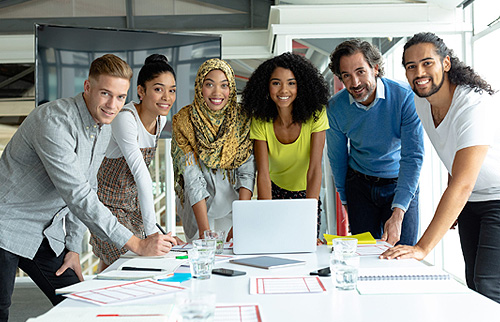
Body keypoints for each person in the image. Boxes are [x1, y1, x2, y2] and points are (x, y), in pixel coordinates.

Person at [0, 54, 177, 322]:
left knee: (78, 300)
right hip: (6, 225)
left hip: (42, 234)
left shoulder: (102, 126)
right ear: (88, 87)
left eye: (120, 97)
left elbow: (88, 185)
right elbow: (78, 195)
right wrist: (137, 243)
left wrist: (72, 248)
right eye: (105, 93)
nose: (112, 105)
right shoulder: (53, 122)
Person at [381, 32, 500, 303]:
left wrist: (422, 248)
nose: (419, 72)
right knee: (474, 282)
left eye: (427, 63)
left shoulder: (473, 104)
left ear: (446, 63)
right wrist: (455, 204)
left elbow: (463, 182)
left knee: (488, 284)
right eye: (411, 66)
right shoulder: (422, 102)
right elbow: (454, 155)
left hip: (496, 197)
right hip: (472, 201)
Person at [90, 54, 183, 272]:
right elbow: (141, 175)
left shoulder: (161, 120)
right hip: (107, 206)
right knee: (132, 263)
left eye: (172, 90)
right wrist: (151, 233)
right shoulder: (125, 118)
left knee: (117, 265)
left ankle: (102, 302)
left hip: (131, 207)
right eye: (158, 89)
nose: (167, 97)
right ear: (141, 91)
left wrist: (154, 232)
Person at [326, 39, 424, 246]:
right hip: (360, 187)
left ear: (376, 68)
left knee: (402, 254)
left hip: (400, 182)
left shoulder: (405, 97)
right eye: (346, 76)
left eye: (360, 71)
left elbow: (412, 156)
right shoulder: (335, 107)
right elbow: (337, 158)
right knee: (366, 256)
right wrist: (346, 201)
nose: (355, 83)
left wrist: (398, 213)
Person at [241, 52, 329, 238]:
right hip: (274, 192)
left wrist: (308, 216)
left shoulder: (316, 115)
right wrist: (267, 214)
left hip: (307, 193)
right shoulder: (260, 119)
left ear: (302, 86)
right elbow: (263, 173)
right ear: (267, 86)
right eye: (276, 83)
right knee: (273, 242)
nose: (283, 90)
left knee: (306, 245)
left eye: (291, 83)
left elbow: (314, 170)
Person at [171, 58, 255, 242]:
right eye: (209, 84)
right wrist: (204, 232)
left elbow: (246, 173)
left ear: (231, 88)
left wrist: (240, 221)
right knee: (202, 255)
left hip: (234, 206)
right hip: (197, 209)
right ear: (200, 87)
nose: (217, 92)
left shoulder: (242, 119)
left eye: (224, 85)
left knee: (234, 256)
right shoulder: (184, 121)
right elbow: (191, 177)